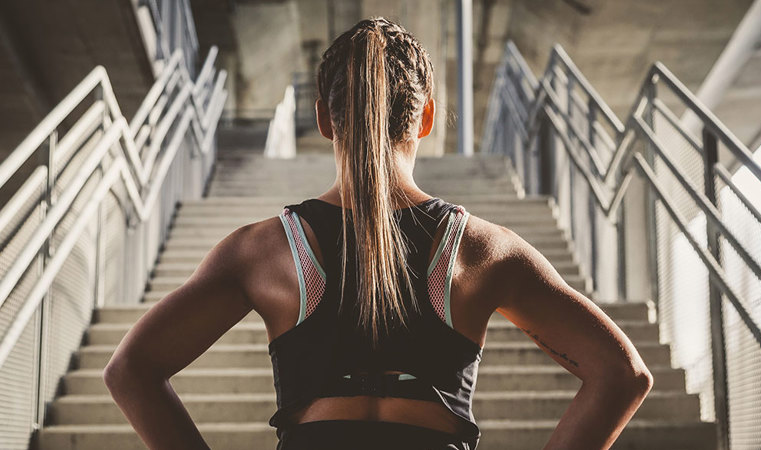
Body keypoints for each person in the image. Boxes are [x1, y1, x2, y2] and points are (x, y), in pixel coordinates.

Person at [102, 17, 653, 450]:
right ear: (427, 118)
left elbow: (131, 370)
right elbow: (621, 374)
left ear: (323, 119)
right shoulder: (483, 250)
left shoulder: (262, 250)